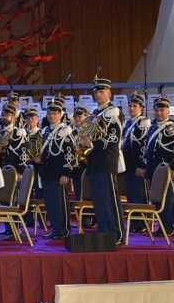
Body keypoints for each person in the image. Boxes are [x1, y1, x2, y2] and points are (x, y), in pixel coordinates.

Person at [80, 76, 124, 243]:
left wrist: (90, 143)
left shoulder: (113, 112)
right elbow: (83, 135)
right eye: (96, 91)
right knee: (99, 201)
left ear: (109, 93)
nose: (98, 94)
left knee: (110, 199)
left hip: (106, 161)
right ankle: (105, 232)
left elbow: (112, 138)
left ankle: (116, 234)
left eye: (101, 91)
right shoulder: (94, 114)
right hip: (94, 162)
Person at [138, 96, 174, 236]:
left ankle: (170, 227)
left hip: (168, 169)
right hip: (154, 169)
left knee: (169, 198)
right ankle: (162, 227)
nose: (159, 113)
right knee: (158, 199)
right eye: (157, 110)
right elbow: (148, 148)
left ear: (168, 111)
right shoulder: (152, 126)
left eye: (162, 110)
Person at [36, 101, 74, 240]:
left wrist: (66, 173)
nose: (51, 116)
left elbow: (70, 152)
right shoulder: (45, 130)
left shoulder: (65, 130)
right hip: (46, 172)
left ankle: (63, 230)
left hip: (59, 172)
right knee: (50, 204)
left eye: (54, 113)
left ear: (60, 115)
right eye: (49, 113)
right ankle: (55, 228)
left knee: (60, 203)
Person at [121, 93, 152, 215]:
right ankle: (135, 222)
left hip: (138, 166)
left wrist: (142, 166)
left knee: (140, 195)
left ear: (141, 108)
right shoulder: (128, 123)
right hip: (128, 165)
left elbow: (144, 147)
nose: (131, 108)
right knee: (131, 195)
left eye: (134, 106)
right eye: (130, 106)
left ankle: (144, 222)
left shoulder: (143, 122)